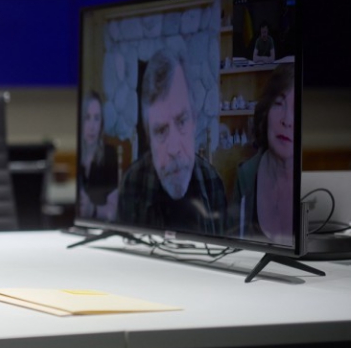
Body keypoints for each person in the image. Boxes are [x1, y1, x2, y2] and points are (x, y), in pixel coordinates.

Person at [117, 49, 227, 234]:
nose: (174, 148)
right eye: (161, 131)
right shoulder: (131, 185)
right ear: (149, 138)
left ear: (194, 121)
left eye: (182, 121)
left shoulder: (213, 183)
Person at [229, 64, 295, 245]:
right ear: (266, 112)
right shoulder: (246, 176)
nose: (287, 120)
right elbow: (232, 247)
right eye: (279, 104)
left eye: (298, 109)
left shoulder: (322, 180)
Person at [78, 90, 119, 221]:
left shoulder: (109, 154)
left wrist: (92, 210)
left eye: (97, 118)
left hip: (99, 227)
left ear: (101, 123)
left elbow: (113, 211)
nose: (92, 127)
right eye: (87, 117)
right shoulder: (76, 154)